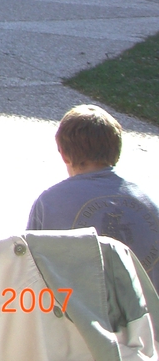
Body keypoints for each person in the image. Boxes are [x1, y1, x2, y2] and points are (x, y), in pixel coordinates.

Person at [27, 104, 159, 290]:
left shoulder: (50, 202)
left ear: (64, 153)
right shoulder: (150, 200)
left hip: (78, 316)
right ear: (117, 150)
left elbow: (30, 270)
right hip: (146, 316)